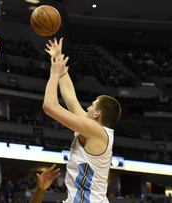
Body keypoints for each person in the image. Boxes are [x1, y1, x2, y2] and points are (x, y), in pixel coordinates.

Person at [43, 38, 122, 203]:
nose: (87, 108)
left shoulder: (94, 130)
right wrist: (58, 58)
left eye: (92, 106)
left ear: (97, 114)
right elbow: (71, 98)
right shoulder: (93, 129)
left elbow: (49, 106)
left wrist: (54, 74)